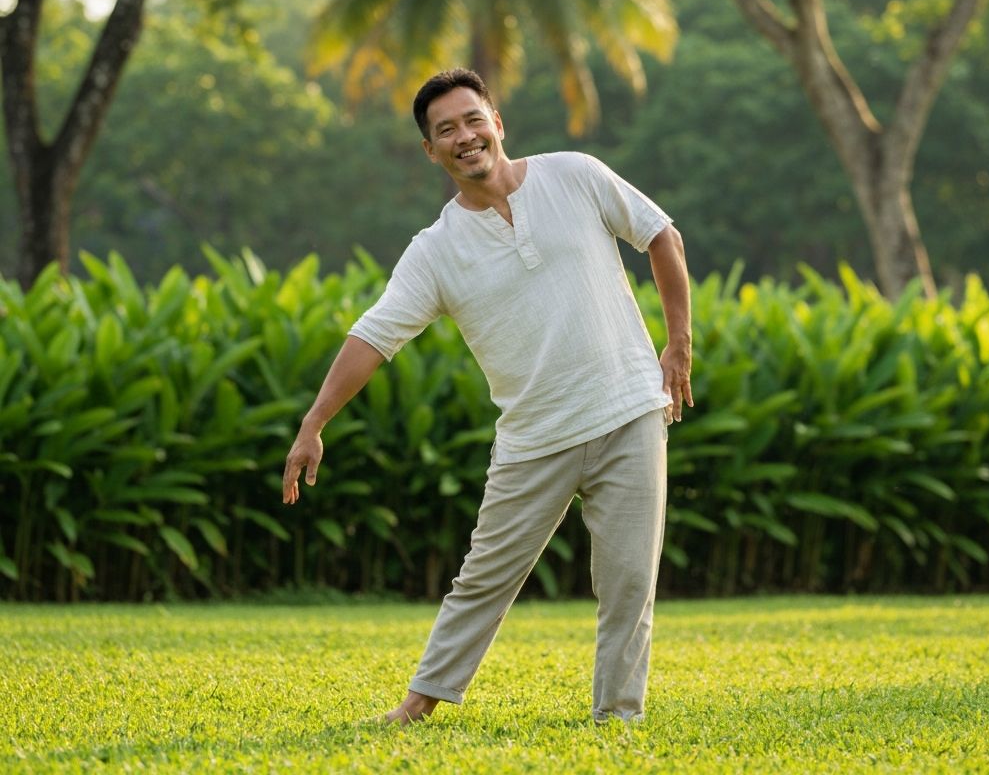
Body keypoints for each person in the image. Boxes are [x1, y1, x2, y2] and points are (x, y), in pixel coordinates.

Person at [281, 67, 693, 726]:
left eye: (473, 120)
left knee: (627, 585)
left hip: (629, 412)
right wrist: (314, 422)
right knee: (481, 582)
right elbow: (374, 336)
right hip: (533, 439)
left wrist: (678, 344)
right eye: (445, 130)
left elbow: (661, 234)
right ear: (431, 151)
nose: (464, 136)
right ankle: (418, 704)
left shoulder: (575, 175)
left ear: (497, 123)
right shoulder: (435, 252)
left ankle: (618, 715)